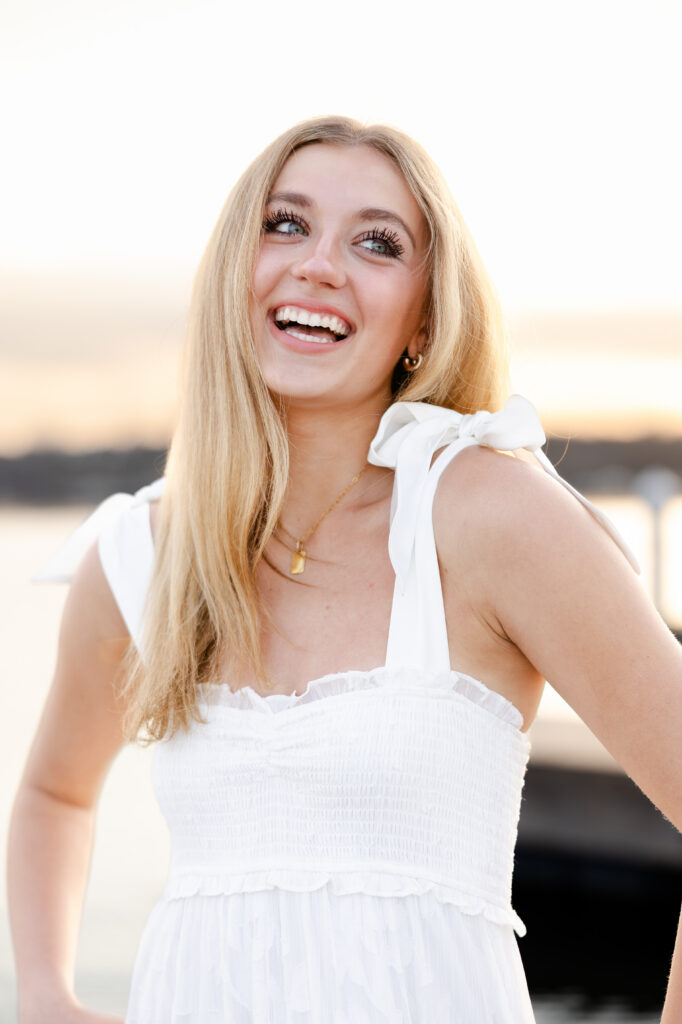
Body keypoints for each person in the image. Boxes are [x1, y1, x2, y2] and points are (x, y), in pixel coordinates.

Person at [8, 115, 682, 1023]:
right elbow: (55, 791)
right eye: (285, 224)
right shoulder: (143, 553)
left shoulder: (491, 516)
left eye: (376, 242)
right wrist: (48, 993)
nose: (318, 263)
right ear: (234, 277)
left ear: (426, 315)